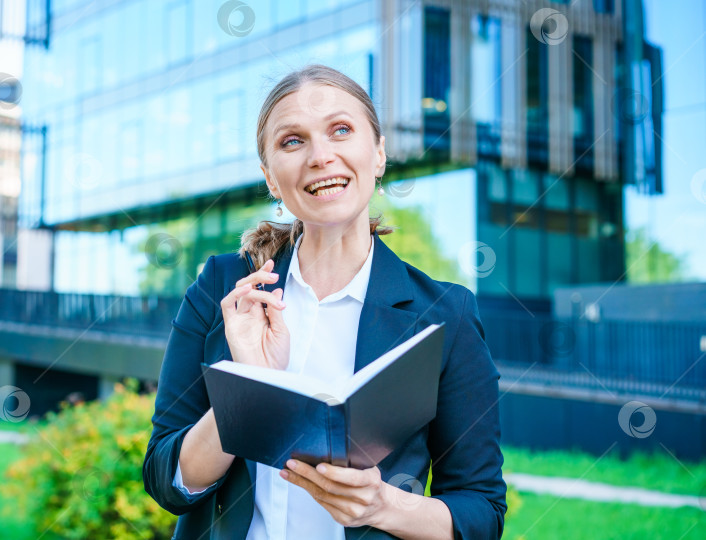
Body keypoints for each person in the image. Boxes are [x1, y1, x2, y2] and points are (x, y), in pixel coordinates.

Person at [143, 64, 506, 540]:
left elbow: (481, 511)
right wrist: (248, 388)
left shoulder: (446, 315)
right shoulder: (222, 288)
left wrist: (382, 505)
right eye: (292, 141)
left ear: (377, 154)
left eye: (340, 130)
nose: (320, 156)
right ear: (271, 177)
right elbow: (166, 482)